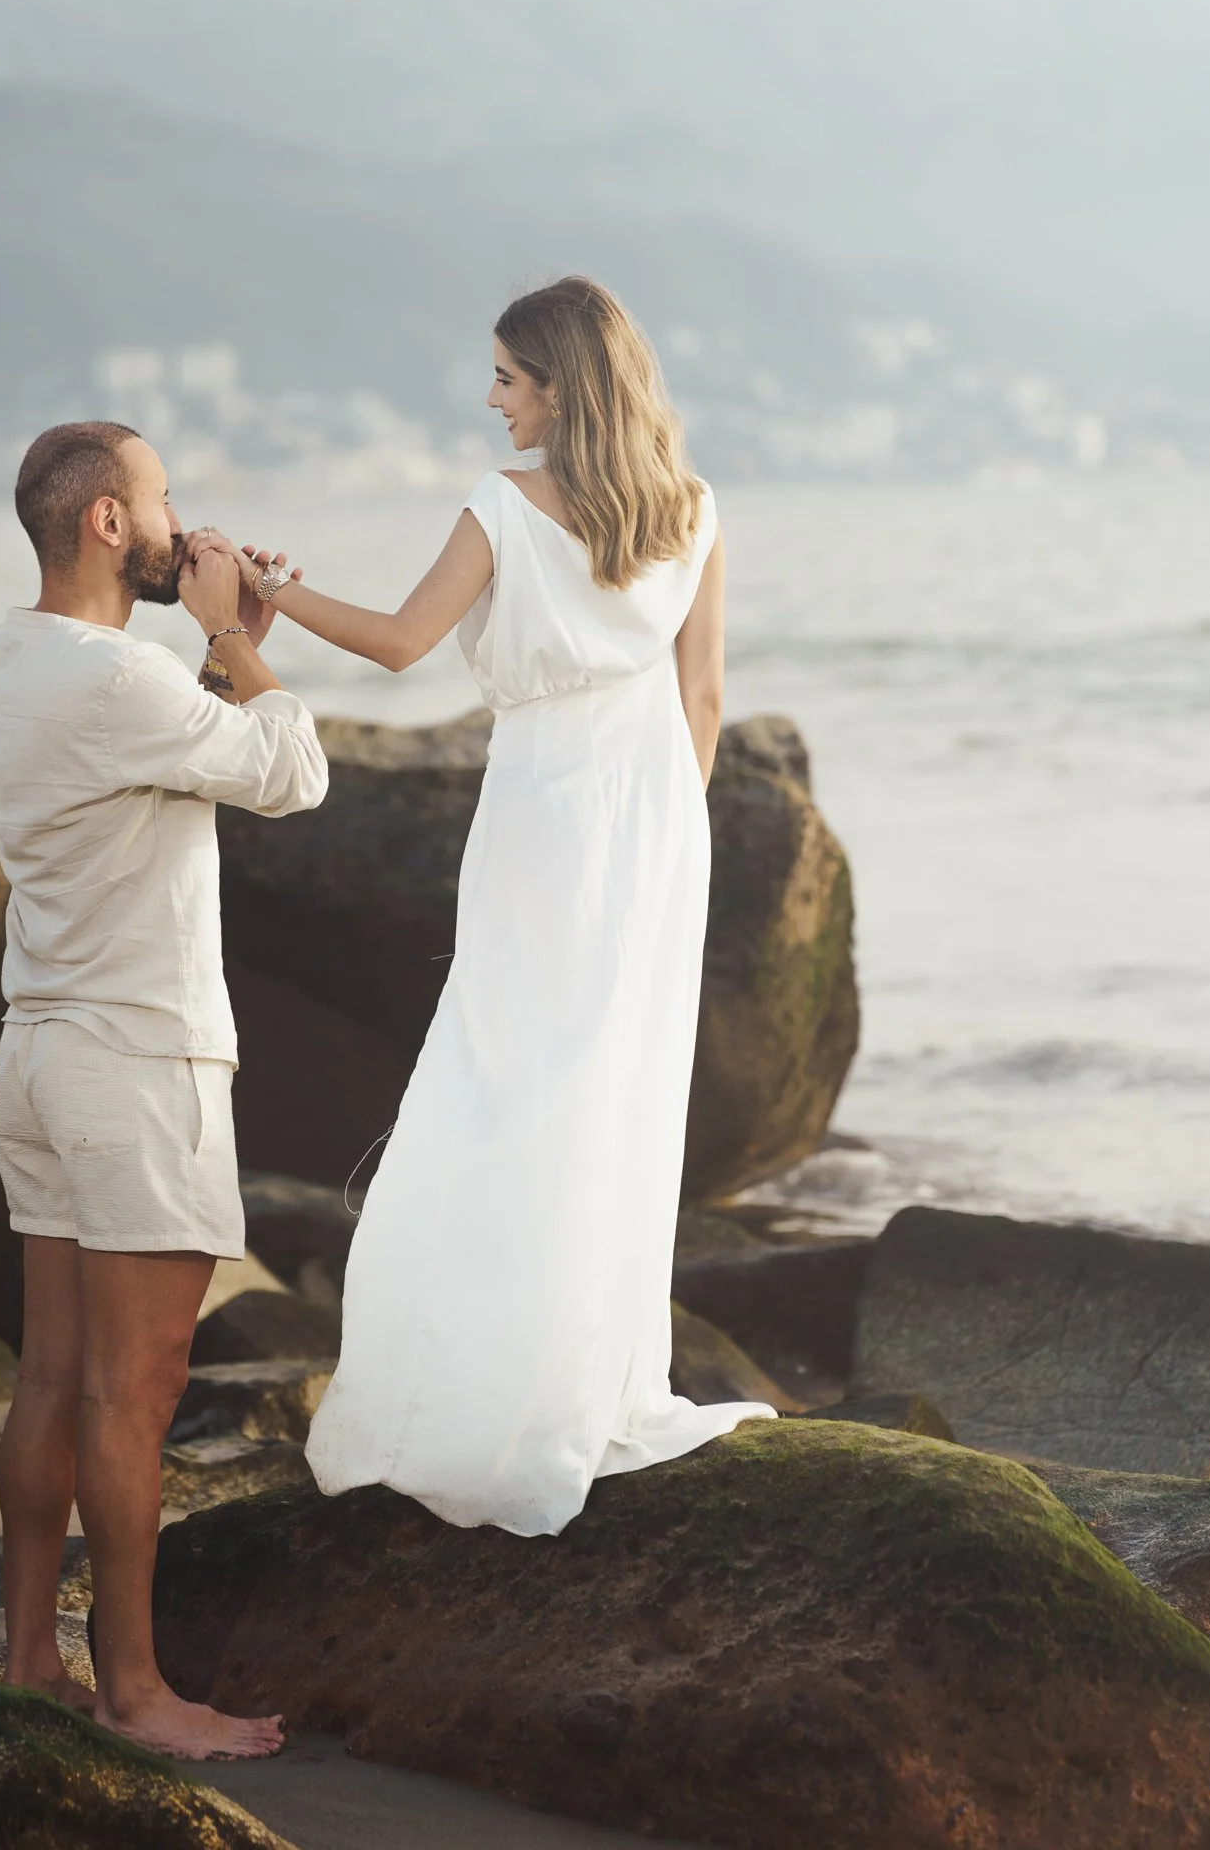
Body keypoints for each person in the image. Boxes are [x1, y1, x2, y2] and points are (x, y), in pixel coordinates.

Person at [202, 276, 776, 1540]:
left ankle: (481, 1391)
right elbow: (707, 699)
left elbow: (404, 644)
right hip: (656, 831)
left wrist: (269, 593)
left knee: (503, 1082)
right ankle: (588, 1377)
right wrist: (666, 844)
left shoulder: (502, 507)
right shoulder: (695, 507)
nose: (492, 396)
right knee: (613, 1093)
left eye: (509, 376)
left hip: (545, 819)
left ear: (563, 386)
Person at [0, 421, 326, 1757]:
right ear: (108, 523)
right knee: (138, 1386)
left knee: (51, 1378)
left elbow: (170, 748)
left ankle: (26, 1658)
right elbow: (294, 771)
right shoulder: (120, 680)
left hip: (44, 1053)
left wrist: (220, 633)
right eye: (163, 502)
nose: (183, 524)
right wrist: (235, 633)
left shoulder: (10, 658)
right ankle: (132, 1690)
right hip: (137, 1057)